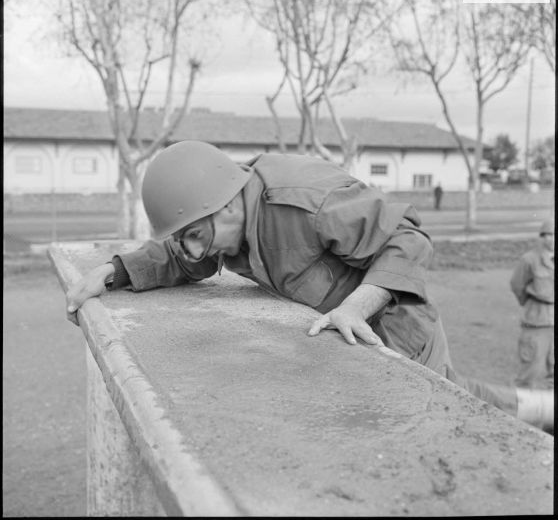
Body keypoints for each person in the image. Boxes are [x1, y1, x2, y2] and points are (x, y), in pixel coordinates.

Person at [66, 140, 553, 431]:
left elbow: (409, 238)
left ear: (228, 206)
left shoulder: (306, 201)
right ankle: (541, 409)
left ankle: (537, 412)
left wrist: (357, 307)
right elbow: (180, 254)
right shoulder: (220, 217)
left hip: (397, 329)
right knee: (457, 396)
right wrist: (112, 272)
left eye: (196, 235)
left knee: (440, 418)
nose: (194, 251)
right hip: (350, 341)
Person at [510, 219, 554, 389]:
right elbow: (517, 285)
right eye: (546, 235)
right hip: (536, 322)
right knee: (529, 372)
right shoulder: (529, 259)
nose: (550, 239)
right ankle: (522, 414)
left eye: (554, 235)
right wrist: (530, 303)